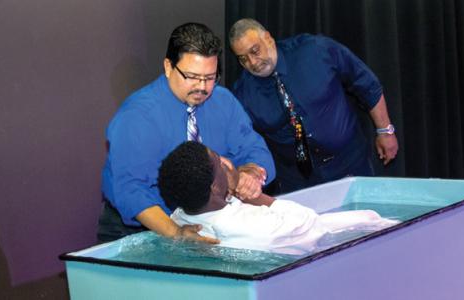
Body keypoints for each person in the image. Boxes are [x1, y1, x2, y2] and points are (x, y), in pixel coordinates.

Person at [97, 23, 275, 243]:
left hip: (208, 222)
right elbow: (131, 190)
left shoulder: (223, 101)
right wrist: (176, 233)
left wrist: (252, 174)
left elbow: (254, 149)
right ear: (168, 67)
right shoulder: (138, 115)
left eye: (210, 77)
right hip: (141, 229)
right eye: (192, 76)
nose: (202, 87)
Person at [228, 18, 399, 194]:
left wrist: (385, 131)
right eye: (243, 59)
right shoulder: (243, 94)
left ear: (268, 38)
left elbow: (366, 84)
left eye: (255, 51)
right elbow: (243, 142)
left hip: (350, 162)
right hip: (298, 180)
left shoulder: (315, 50)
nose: (253, 62)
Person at [158, 141, 398, 255]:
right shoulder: (256, 227)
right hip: (312, 252)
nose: (226, 163)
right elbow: (308, 221)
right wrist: (255, 196)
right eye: (219, 163)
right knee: (371, 217)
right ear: (213, 186)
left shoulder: (180, 219)